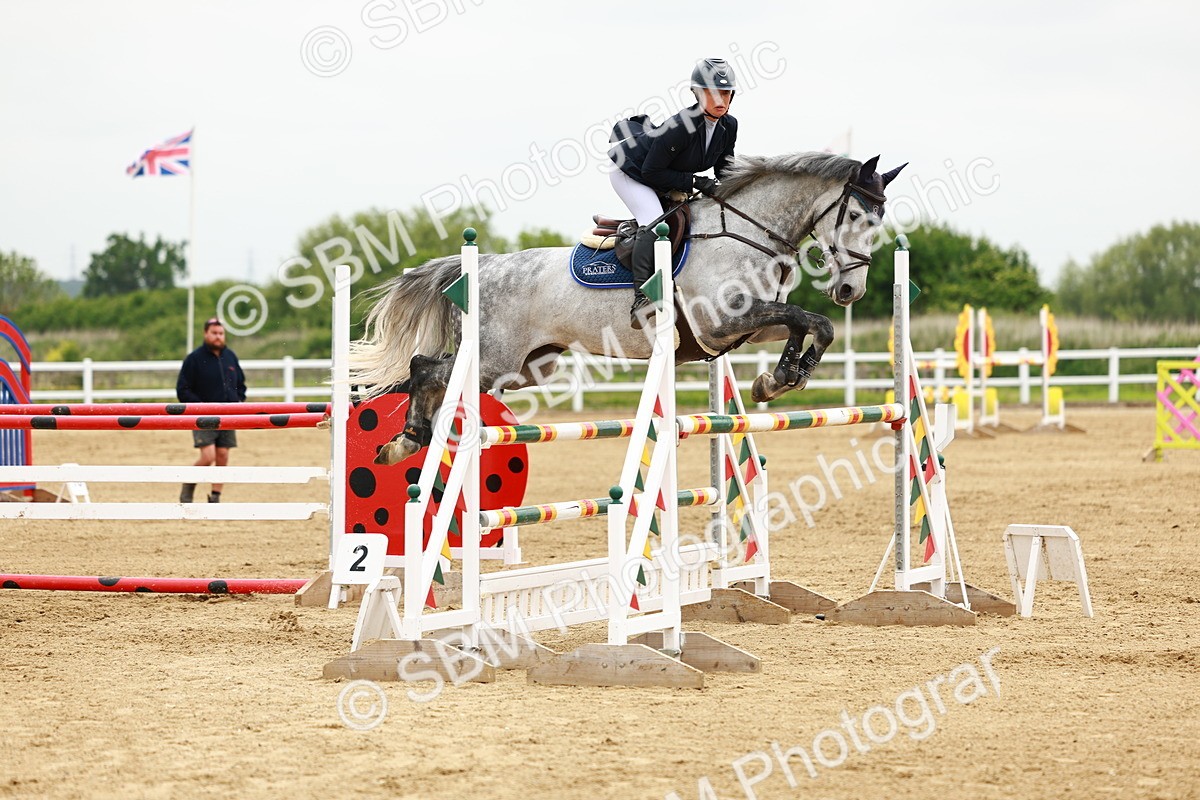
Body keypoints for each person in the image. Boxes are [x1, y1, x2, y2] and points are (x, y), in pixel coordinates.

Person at [608, 57, 739, 329]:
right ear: (698, 93)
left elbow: (725, 171)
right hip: (631, 171)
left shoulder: (729, 126)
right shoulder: (682, 124)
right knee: (655, 223)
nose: (721, 99)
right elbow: (651, 172)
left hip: (663, 175)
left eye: (725, 93)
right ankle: (642, 299)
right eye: (713, 92)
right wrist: (694, 181)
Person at [176, 317, 246, 502]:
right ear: (205, 333)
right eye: (214, 333)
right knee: (208, 456)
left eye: (221, 333)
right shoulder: (194, 359)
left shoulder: (230, 356)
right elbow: (182, 389)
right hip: (202, 416)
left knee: (223, 455)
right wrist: (201, 406)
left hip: (229, 415)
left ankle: (215, 496)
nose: (218, 337)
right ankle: (189, 483)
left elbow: (241, 383)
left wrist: (238, 399)